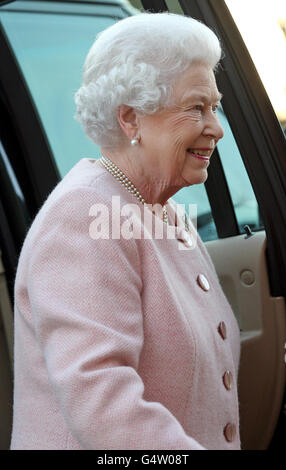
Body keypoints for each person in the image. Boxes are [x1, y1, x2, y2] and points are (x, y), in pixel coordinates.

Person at [10, 12, 241, 450]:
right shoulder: (86, 214)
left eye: (214, 106)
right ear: (131, 119)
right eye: (196, 107)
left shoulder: (160, 208)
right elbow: (102, 401)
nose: (217, 127)